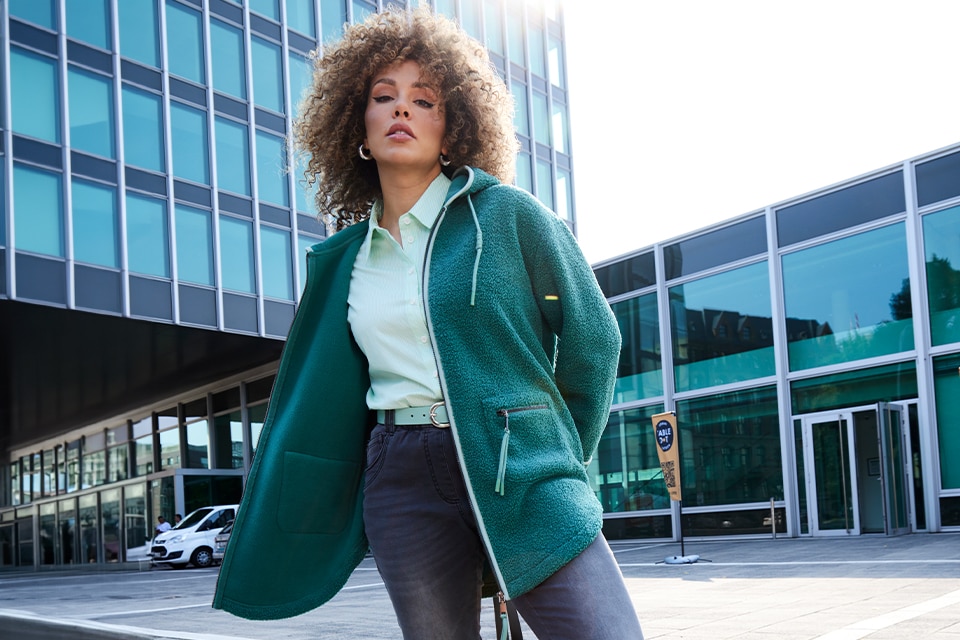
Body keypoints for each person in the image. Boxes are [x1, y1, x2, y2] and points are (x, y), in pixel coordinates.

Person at [213, 8, 643, 639]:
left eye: (423, 100)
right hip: (400, 474)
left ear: (453, 128)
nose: (401, 111)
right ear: (357, 127)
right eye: (383, 98)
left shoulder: (509, 216)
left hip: (519, 460)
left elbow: (594, 340)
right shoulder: (344, 261)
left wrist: (558, 456)